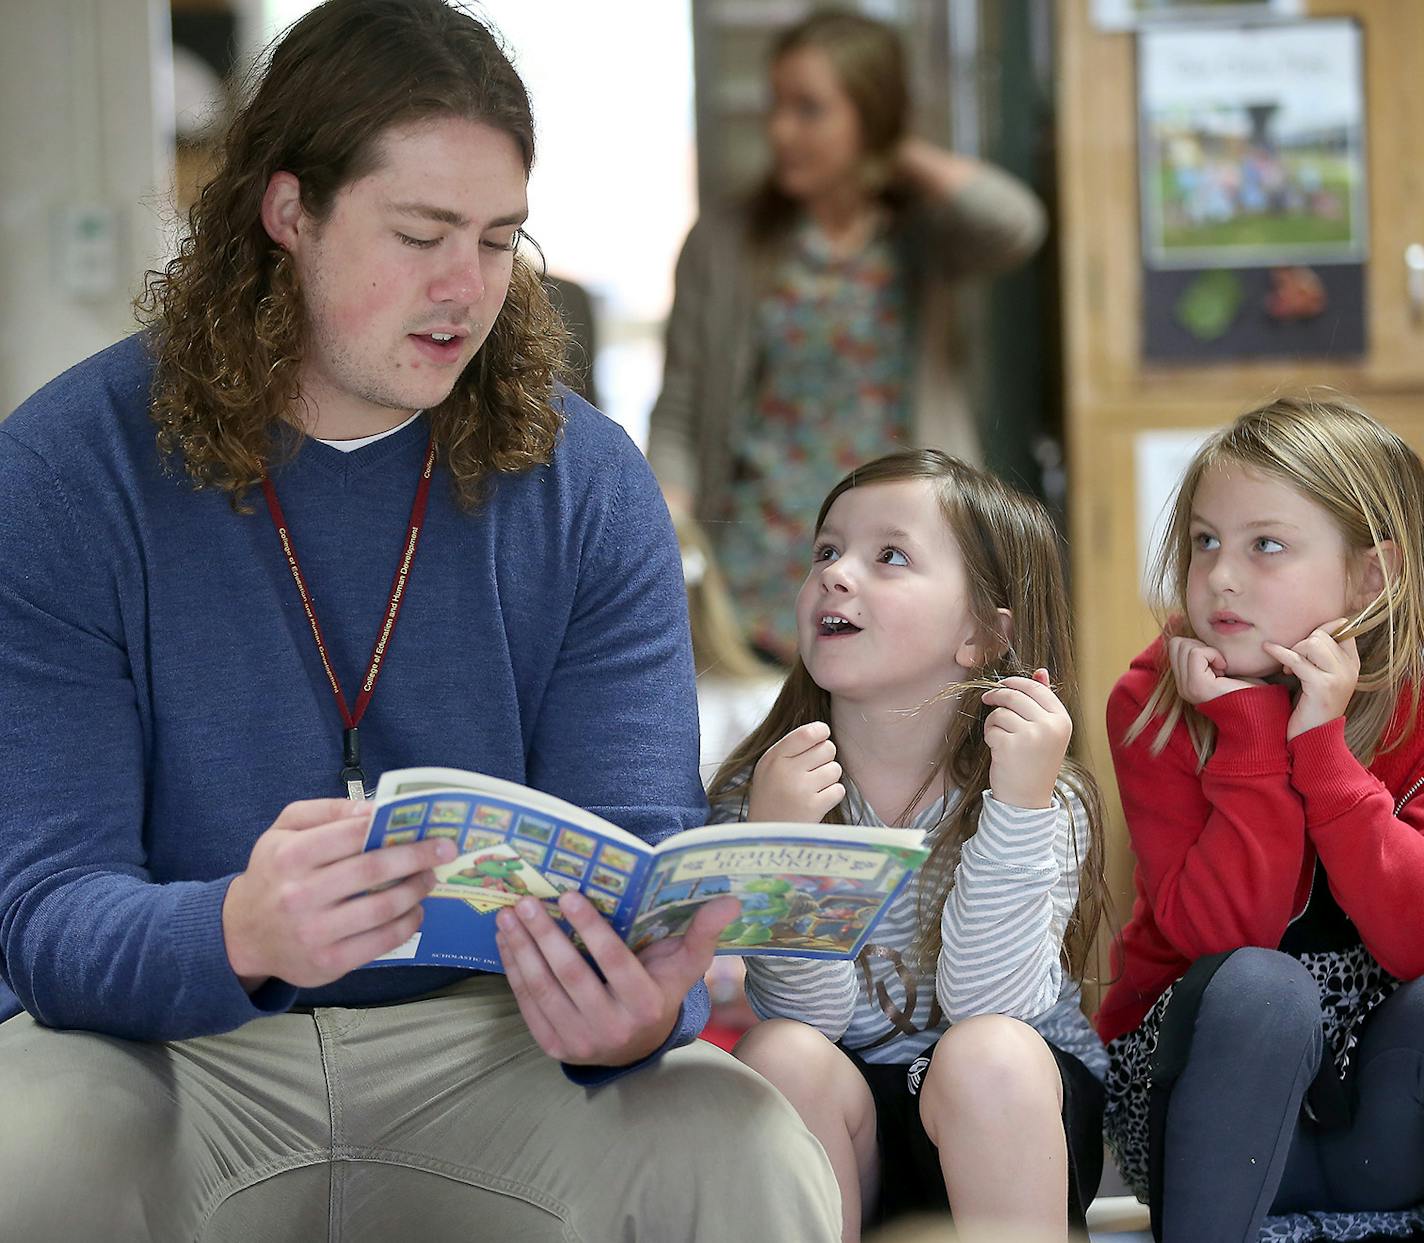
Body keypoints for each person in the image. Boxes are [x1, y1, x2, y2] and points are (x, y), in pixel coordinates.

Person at [0, 3, 842, 1239]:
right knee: (24, 1150)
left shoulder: (586, 483)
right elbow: (44, 911)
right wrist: (234, 926)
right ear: (288, 215)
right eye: (420, 234)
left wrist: (635, 1011)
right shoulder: (72, 467)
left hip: (498, 1044)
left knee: (742, 1146)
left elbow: (641, 857)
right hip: (175, 1052)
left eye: (500, 240)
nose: (467, 288)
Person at [707, 449, 1108, 1243]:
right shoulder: (758, 793)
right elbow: (804, 1015)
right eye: (827, 551)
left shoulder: (1041, 792)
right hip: (847, 1118)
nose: (836, 574)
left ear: (980, 635)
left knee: (985, 1050)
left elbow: (992, 1005)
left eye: (889, 555)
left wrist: (1019, 805)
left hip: (1013, 1115)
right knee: (779, 1051)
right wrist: (785, 843)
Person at [1096, 395, 1424, 1243]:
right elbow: (1222, 936)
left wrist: (1323, 749)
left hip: (1374, 1123)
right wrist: (1250, 732)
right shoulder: (1154, 703)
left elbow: (1414, 939)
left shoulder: (1417, 703)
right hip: (1205, 1109)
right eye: (1206, 541)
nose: (1221, 577)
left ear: (1371, 576)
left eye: (1264, 545)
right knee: (1262, 986)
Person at [646, 10, 1046, 665]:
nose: (781, 130)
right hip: (756, 578)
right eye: (777, 105)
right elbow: (682, 404)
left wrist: (892, 149)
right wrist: (670, 533)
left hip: (904, 567)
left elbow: (1016, 224)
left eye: (810, 110)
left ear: (869, 114)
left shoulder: (925, 233)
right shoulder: (724, 242)